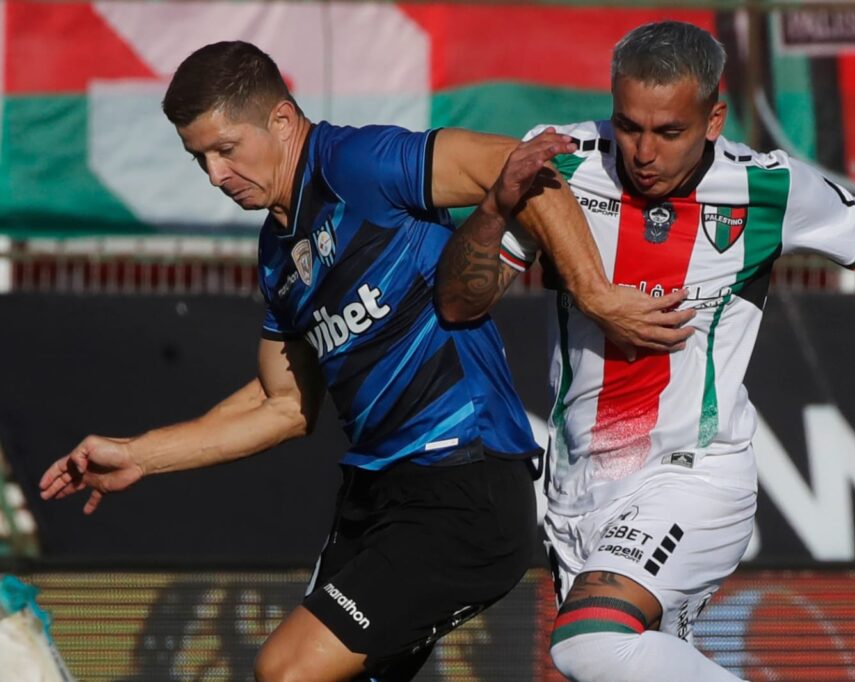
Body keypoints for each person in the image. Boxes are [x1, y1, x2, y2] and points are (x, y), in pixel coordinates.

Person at [36, 41, 689, 682]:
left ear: (282, 121)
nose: (214, 175)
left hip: (463, 485)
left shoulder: (357, 164)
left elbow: (514, 169)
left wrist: (596, 293)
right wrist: (141, 455)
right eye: (197, 157)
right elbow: (283, 404)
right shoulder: (276, 253)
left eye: (225, 149)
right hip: (376, 500)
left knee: (288, 669)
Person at [435, 20, 855, 682]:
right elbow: (458, 304)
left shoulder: (768, 189)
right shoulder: (562, 165)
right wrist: (496, 203)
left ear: (714, 117)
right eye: (629, 126)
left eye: (668, 132)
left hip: (695, 472)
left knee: (588, 643)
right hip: (577, 490)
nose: (643, 152)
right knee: (615, 663)